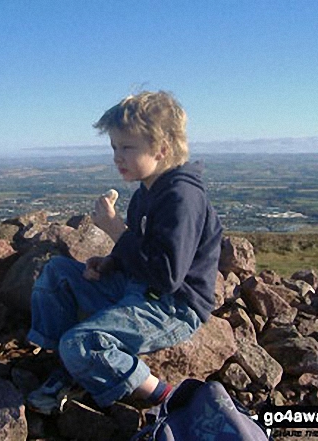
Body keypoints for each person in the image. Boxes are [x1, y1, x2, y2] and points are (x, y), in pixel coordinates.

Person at [26, 91, 223, 414]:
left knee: (79, 342)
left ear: (162, 149)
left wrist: (114, 228)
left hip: (172, 307)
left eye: (127, 147)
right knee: (57, 272)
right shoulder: (146, 192)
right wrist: (111, 262)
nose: (117, 156)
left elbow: (167, 275)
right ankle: (65, 366)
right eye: (115, 147)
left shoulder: (182, 198)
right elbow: (140, 250)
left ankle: (166, 396)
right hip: (136, 288)